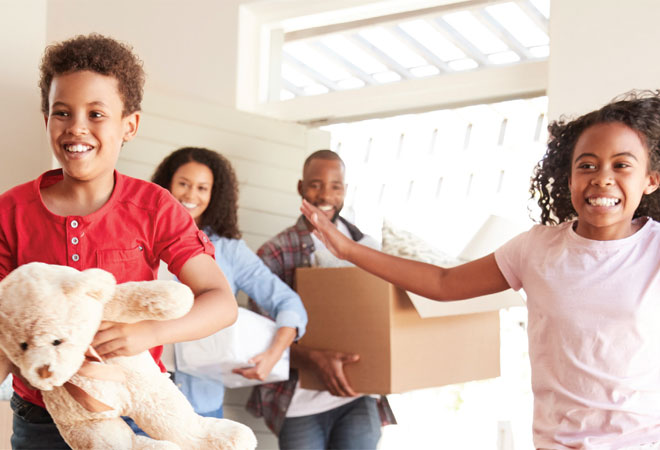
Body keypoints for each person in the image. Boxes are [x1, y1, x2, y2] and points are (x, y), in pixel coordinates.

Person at [302, 92, 660, 449]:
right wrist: (348, 249)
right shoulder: (536, 248)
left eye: (622, 165)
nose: (602, 178)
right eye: (587, 165)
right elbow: (443, 283)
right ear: (569, 179)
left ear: (650, 180)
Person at [0, 34, 238, 449]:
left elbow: (221, 302)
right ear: (46, 119)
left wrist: (146, 332)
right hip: (40, 421)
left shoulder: (155, 206)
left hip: (134, 412)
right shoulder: (9, 210)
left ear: (130, 125)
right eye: (62, 112)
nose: (77, 127)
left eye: (96, 114)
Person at [246, 149, 394, 450]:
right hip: (299, 403)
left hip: (359, 395)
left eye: (335, 186)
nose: (325, 194)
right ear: (301, 187)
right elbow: (259, 334)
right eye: (315, 184)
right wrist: (313, 358)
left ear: (345, 191)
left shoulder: (367, 247)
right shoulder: (274, 252)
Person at [151, 146, 308, 418]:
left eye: (202, 188)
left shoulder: (229, 251)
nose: (190, 195)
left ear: (214, 195)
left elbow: (288, 303)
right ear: (167, 185)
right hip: (144, 400)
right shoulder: (140, 239)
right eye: (183, 184)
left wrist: (273, 354)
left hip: (201, 407)